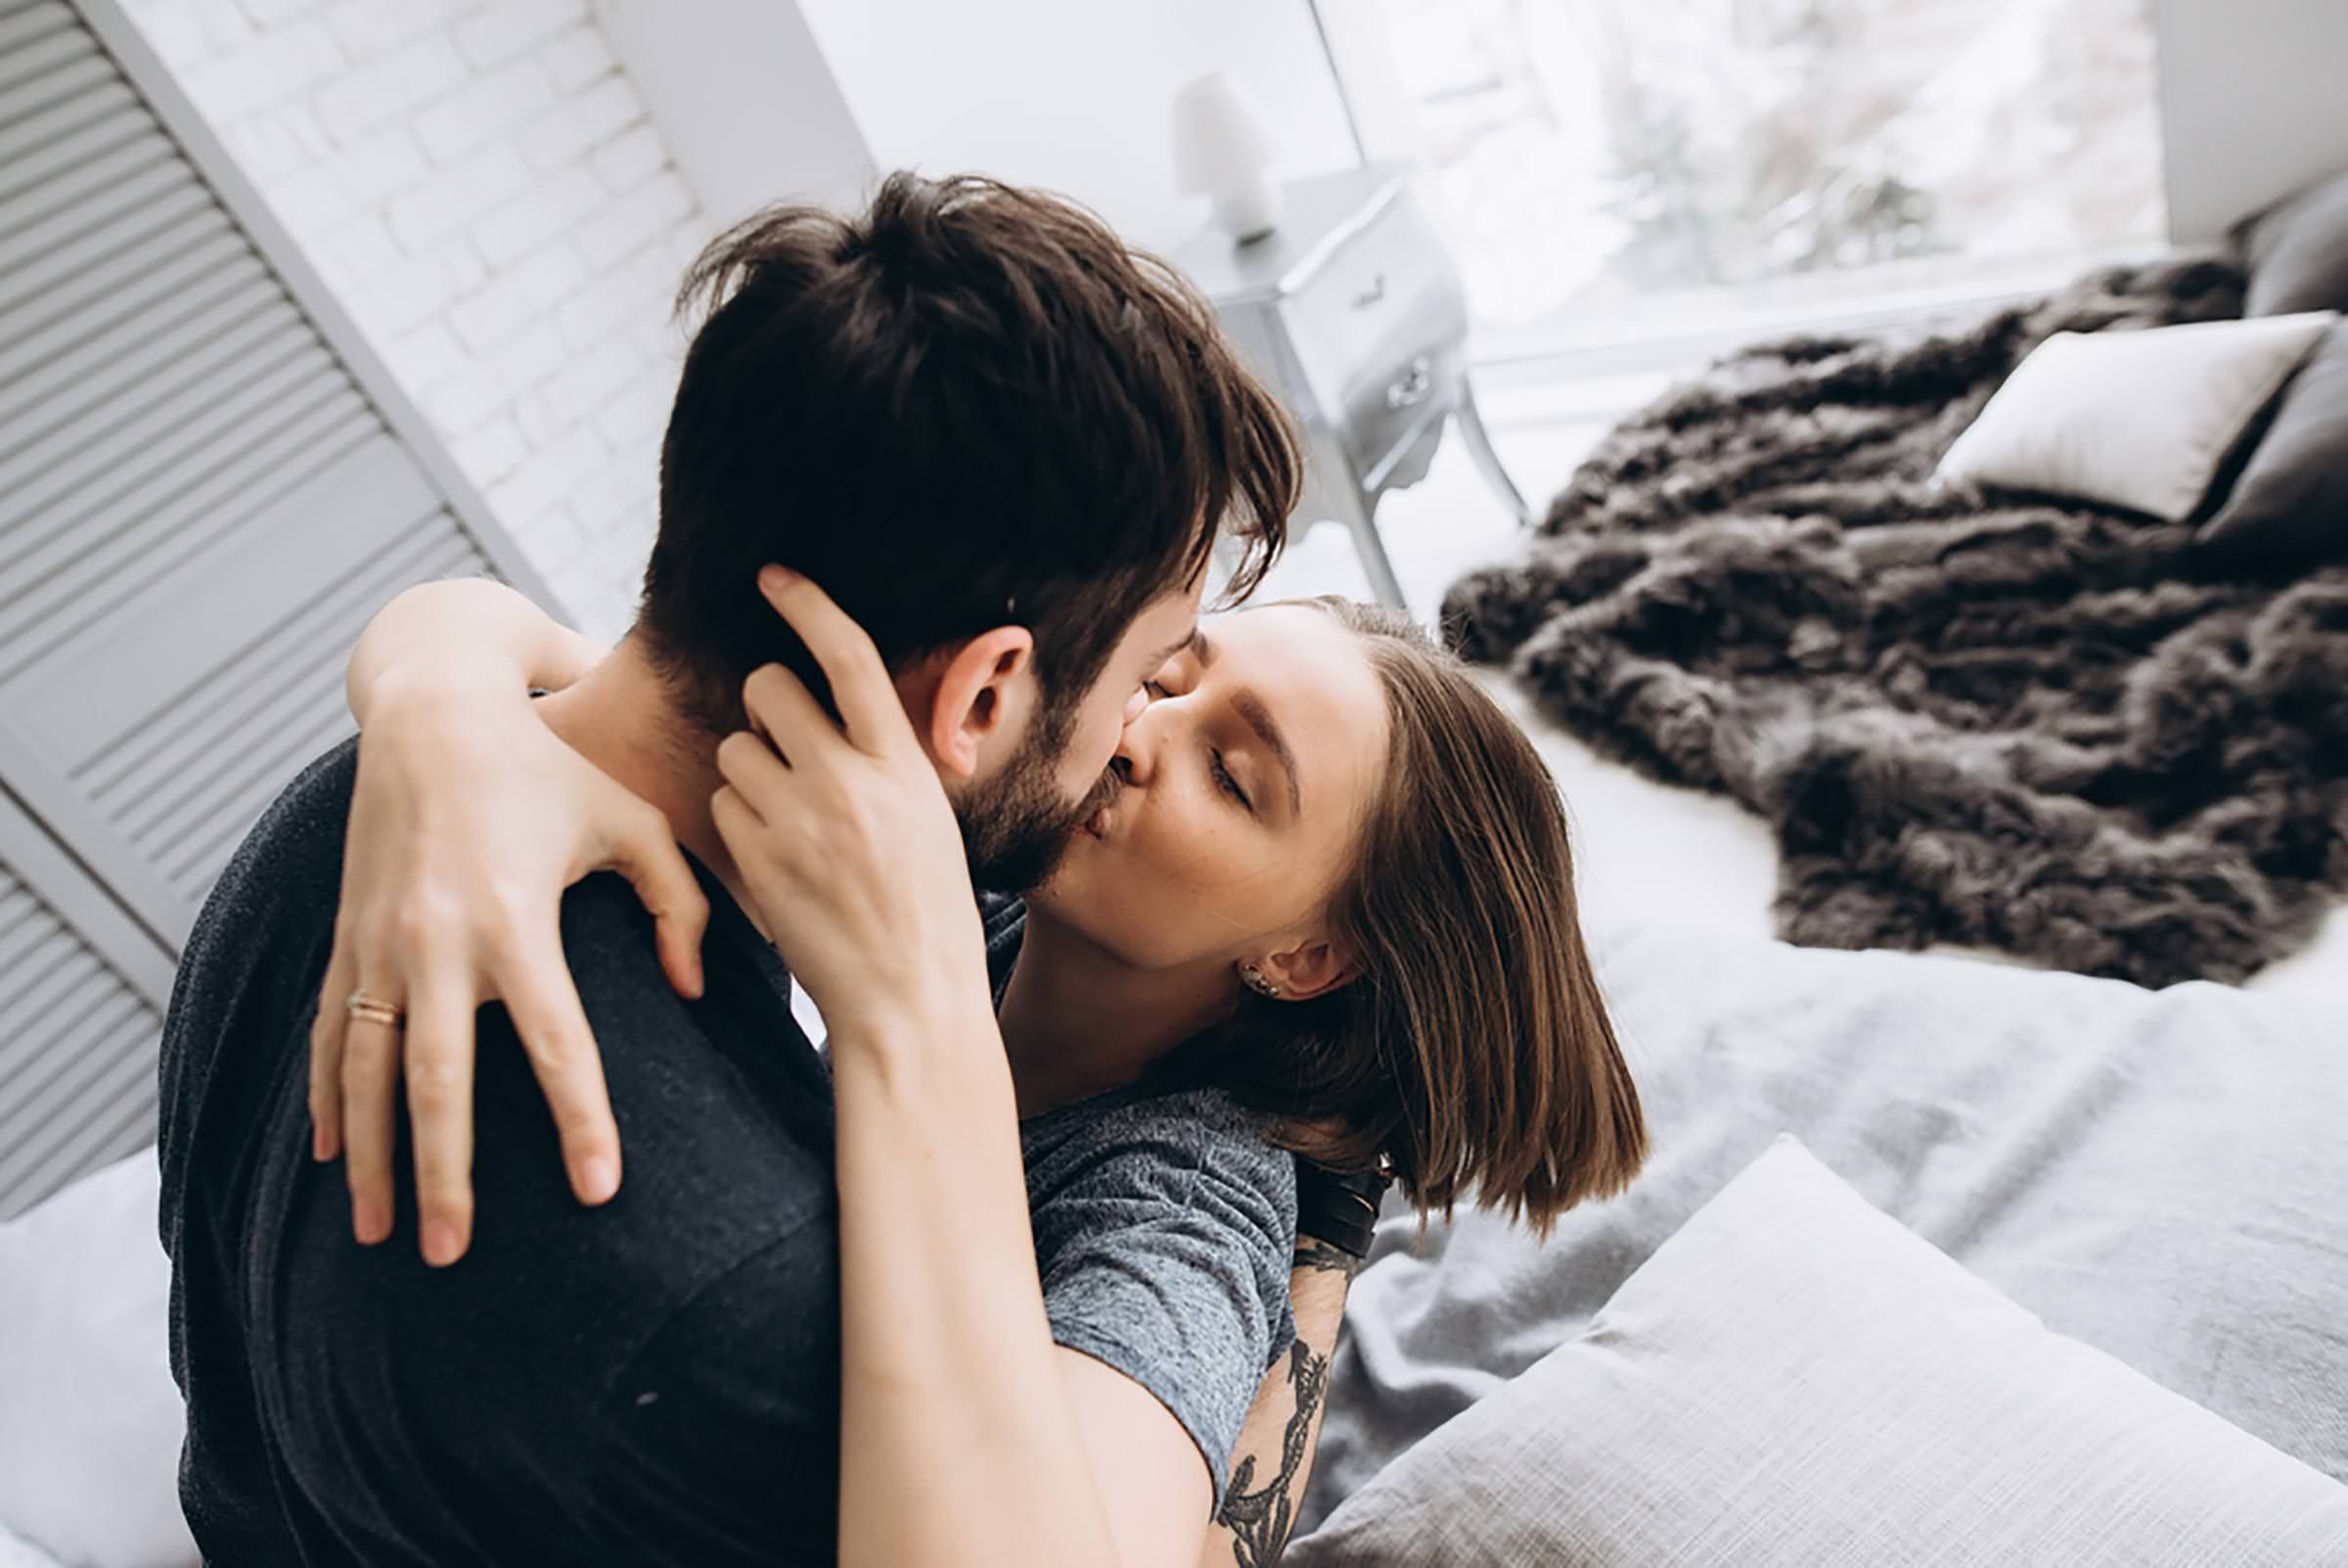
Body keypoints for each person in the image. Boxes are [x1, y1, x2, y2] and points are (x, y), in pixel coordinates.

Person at [157, 172, 1642, 1568]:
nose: (1138, 733)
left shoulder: (343, 816)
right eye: (1156, 671)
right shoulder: (749, 1275)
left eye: (1233, 773)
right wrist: (439, 680)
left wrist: (426, 701)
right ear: (987, 703)